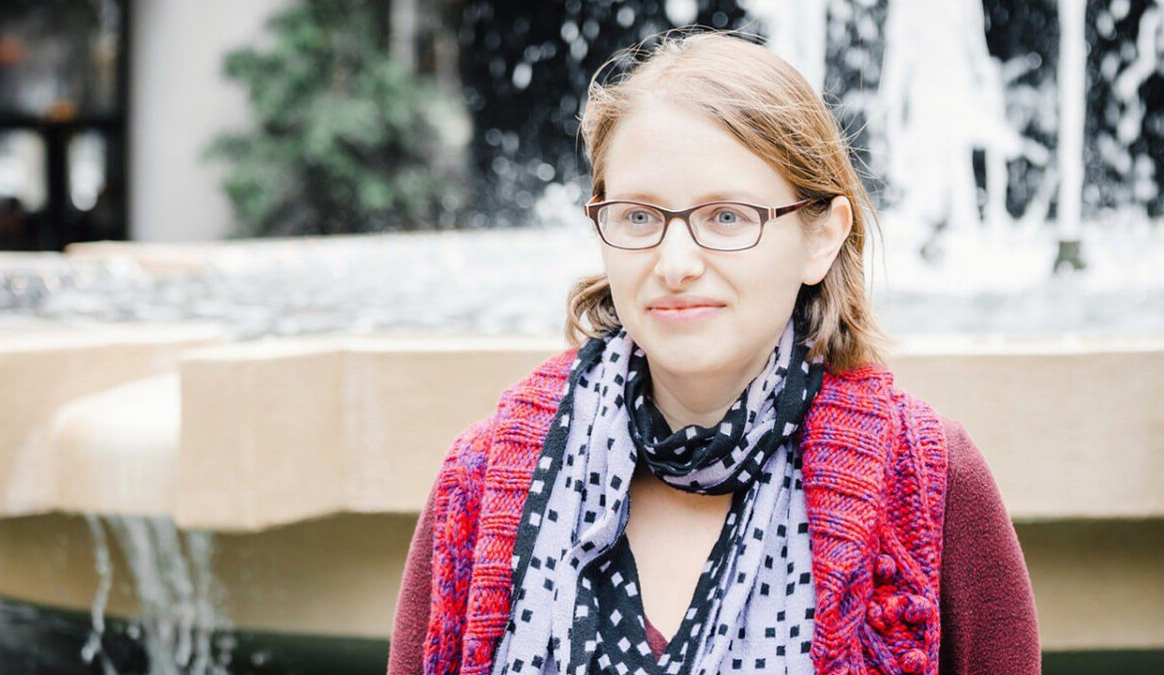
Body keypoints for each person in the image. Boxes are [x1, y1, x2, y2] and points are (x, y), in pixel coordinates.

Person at [389, 28, 1039, 675]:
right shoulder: (481, 478)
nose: (675, 264)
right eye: (639, 216)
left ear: (821, 237)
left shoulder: (928, 478)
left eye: (727, 216)